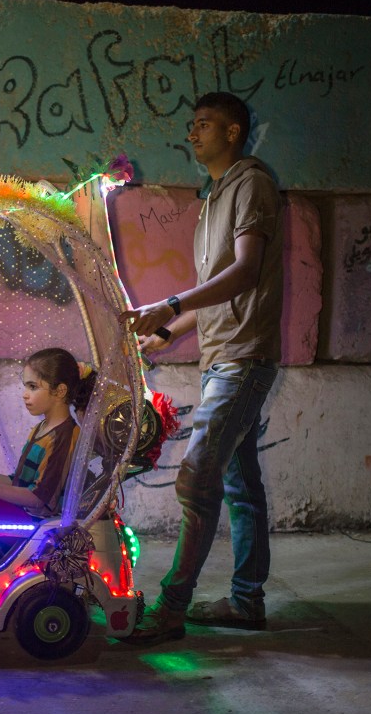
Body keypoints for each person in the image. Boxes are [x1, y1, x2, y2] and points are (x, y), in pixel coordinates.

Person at [119, 91, 284, 645]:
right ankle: (246, 601)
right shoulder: (213, 200)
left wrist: (168, 304)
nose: (193, 134)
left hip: (243, 359)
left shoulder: (251, 184)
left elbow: (244, 273)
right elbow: (215, 296)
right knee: (240, 485)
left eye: (204, 125)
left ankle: (170, 610)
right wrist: (163, 334)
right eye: (191, 125)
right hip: (224, 358)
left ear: (233, 131)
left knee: (195, 480)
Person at [0, 348, 95, 518]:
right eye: (26, 387)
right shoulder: (40, 429)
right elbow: (18, 482)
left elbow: (38, 499)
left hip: (40, 527)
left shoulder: (66, 437)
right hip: (23, 516)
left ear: (60, 391)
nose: (25, 395)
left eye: (33, 387)